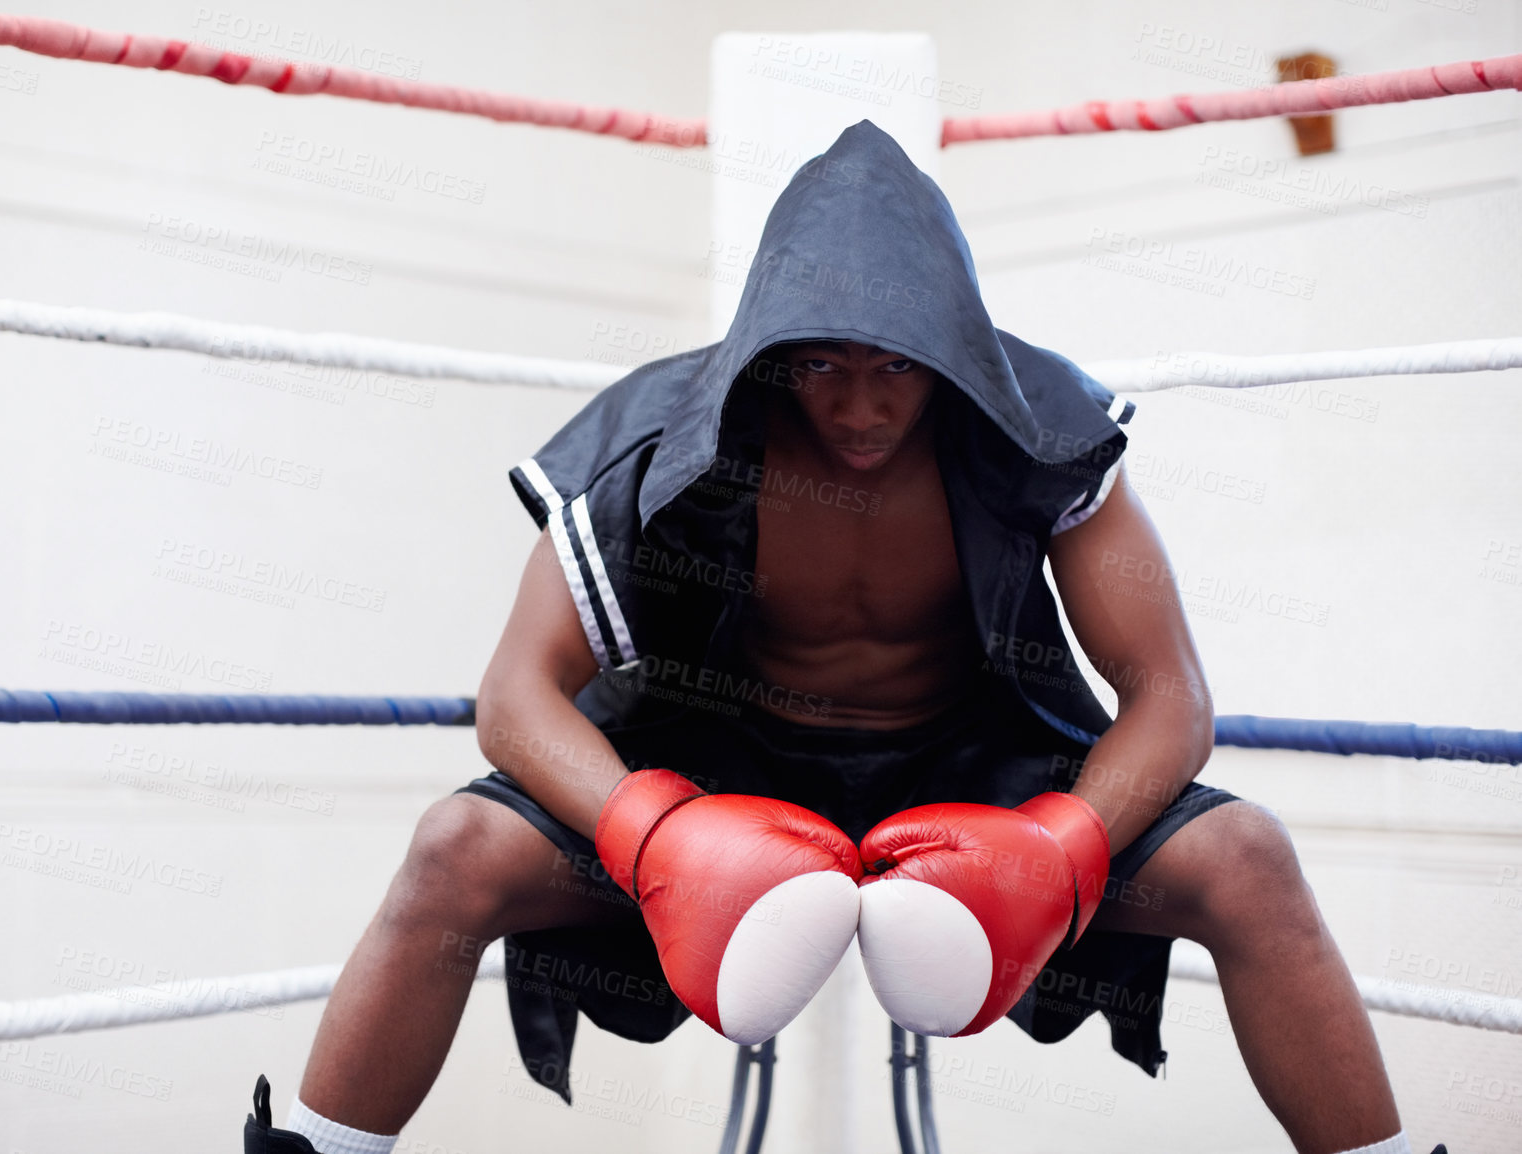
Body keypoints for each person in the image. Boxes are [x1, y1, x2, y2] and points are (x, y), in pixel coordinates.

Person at [246, 122, 1418, 1154]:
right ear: (772, 348)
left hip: (978, 774)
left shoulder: (1039, 429)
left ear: (949, 349)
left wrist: (1064, 843)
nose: (858, 407)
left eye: (893, 369)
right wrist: (648, 827)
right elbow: (514, 691)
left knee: (1246, 859)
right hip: (719, 771)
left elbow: (1169, 692)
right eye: (822, 365)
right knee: (455, 847)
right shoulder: (667, 433)